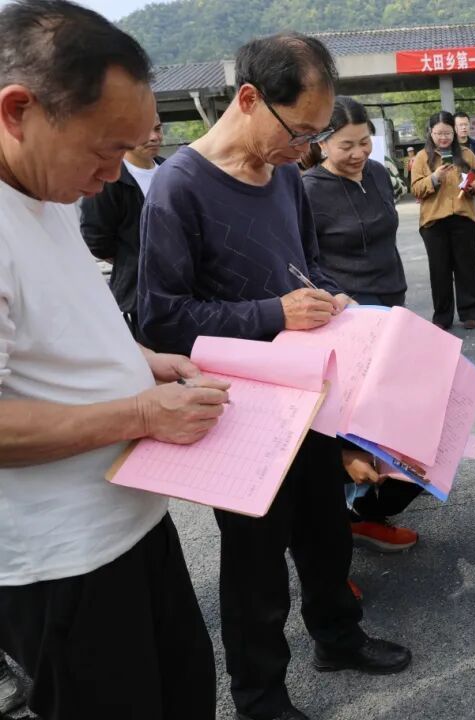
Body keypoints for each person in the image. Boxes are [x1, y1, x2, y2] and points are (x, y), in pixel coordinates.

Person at [137, 33, 410, 720]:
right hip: (240, 410)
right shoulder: (179, 186)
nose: (307, 150)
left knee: (326, 531)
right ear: (250, 99)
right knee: (255, 562)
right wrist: (273, 313)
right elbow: (162, 317)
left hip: (310, 393)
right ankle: (260, 696)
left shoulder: (285, 175)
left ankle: (338, 638)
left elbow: (306, 265)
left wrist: (330, 297)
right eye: (301, 132)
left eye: (317, 135)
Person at [0, 2, 231, 718]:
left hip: (131, 524)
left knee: (184, 692)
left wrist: (143, 359)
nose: (111, 175)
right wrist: (140, 413)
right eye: (104, 151)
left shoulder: (46, 189)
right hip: (61, 564)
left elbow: (59, 325)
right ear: (18, 111)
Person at [300, 97, 422, 552]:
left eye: (364, 142)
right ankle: (341, 526)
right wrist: (335, 300)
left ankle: (368, 510)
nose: (358, 153)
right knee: (351, 423)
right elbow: (304, 261)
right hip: (346, 317)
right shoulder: (307, 190)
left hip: (390, 305)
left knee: (393, 419)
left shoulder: (376, 174)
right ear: (321, 142)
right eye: (346, 145)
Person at [79, 110, 163, 334]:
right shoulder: (109, 180)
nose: (154, 137)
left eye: (157, 129)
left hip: (184, 295)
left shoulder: (174, 172)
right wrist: (132, 257)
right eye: (144, 131)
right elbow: (96, 238)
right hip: (139, 300)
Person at [410, 111, 475, 331]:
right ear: (430, 133)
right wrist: (434, 178)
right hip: (434, 222)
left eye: (447, 133)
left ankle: (470, 313)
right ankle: (442, 316)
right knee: (439, 270)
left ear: (454, 132)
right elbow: (415, 188)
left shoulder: (466, 154)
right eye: (439, 133)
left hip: (463, 218)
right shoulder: (422, 157)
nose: (443, 137)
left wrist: (473, 187)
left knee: (467, 268)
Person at [454, 111, 475, 217]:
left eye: (466, 124)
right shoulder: (450, 147)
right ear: (454, 127)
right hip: (455, 193)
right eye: (460, 125)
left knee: (474, 222)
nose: (464, 127)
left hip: (473, 191)